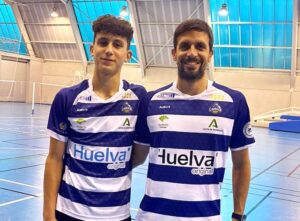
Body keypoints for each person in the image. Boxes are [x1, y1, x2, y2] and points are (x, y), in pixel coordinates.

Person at [133, 19, 255, 221]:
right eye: (184, 46)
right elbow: (136, 156)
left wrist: (238, 215)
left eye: (200, 46)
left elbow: (241, 164)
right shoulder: (151, 101)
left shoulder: (233, 102)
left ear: (210, 54)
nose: (192, 52)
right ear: (174, 53)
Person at [43, 15, 146, 221]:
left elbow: (139, 155)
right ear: (92, 49)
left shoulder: (138, 98)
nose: (109, 50)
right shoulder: (68, 97)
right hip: (69, 212)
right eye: (103, 42)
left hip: (116, 214)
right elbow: (54, 158)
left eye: (117, 44)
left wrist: (111, 167)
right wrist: (48, 215)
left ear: (127, 54)